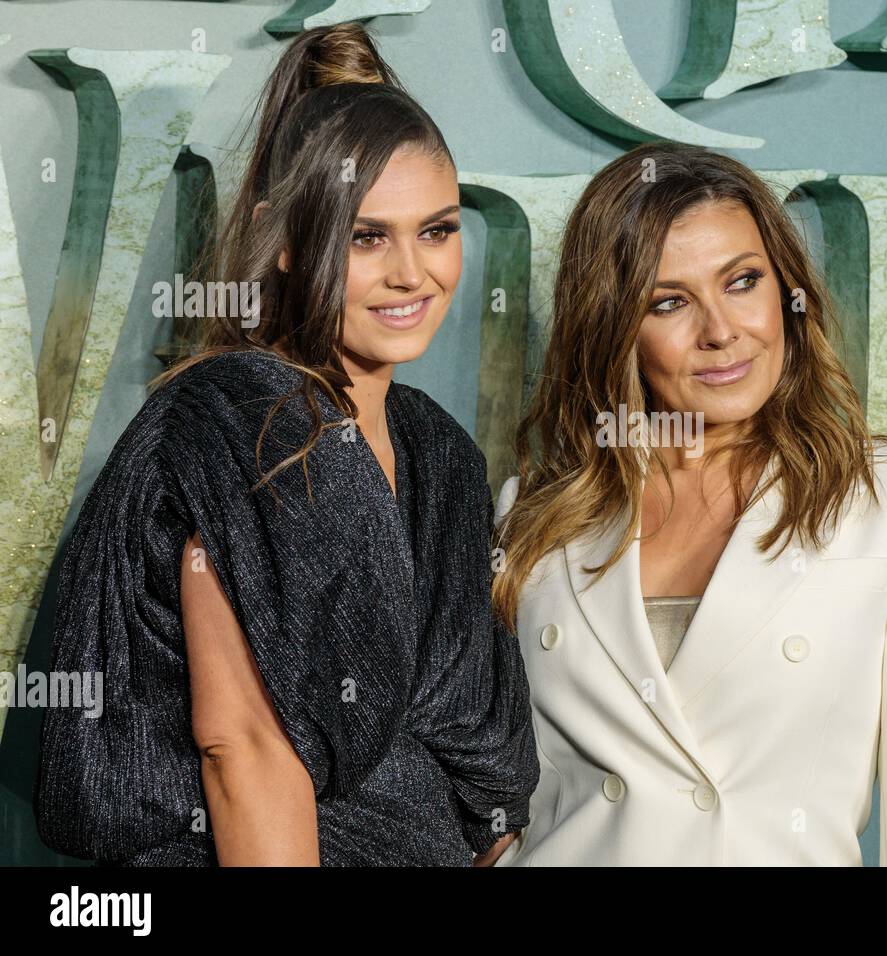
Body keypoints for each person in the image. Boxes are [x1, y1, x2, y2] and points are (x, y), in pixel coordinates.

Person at [34, 22, 538, 866]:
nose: (413, 273)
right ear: (289, 241)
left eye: (438, 230)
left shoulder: (437, 452)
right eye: (366, 237)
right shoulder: (244, 424)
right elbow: (247, 755)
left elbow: (477, 762)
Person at [490, 142, 887, 866]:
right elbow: (511, 800)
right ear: (613, 327)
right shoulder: (538, 512)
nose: (721, 330)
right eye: (669, 302)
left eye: (743, 281)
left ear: (786, 290)